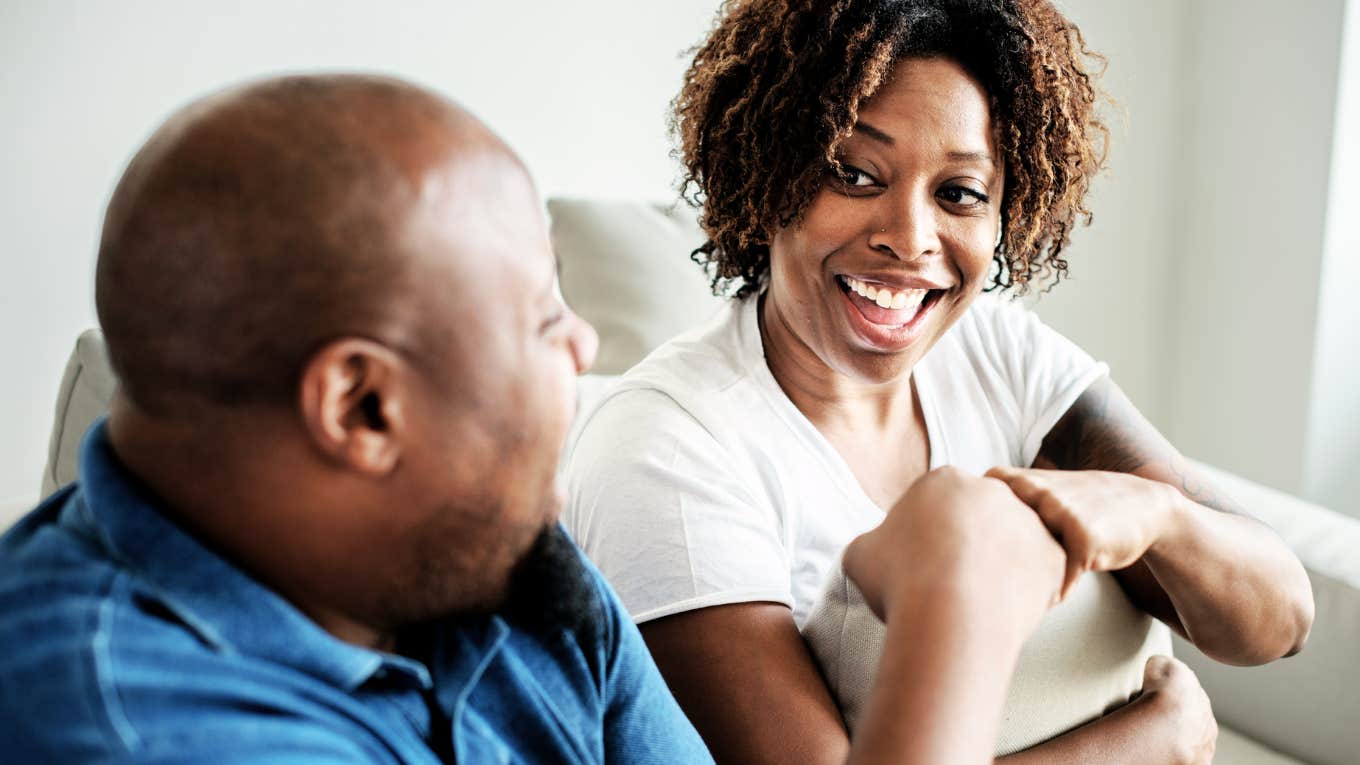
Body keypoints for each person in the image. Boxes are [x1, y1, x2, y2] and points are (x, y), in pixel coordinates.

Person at [0, 72, 1083, 765]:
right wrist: (956, 609)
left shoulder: (515, 570)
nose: (584, 349)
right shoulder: (130, 727)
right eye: (538, 317)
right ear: (362, 407)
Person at [564, 1, 1315, 763]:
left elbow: (1281, 617)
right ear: (767, 174)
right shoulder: (665, 446)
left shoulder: (996, 348)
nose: (909, 237)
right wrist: (1149, 743)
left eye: (959, 192)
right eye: (854, 174)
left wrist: (1156, 512)